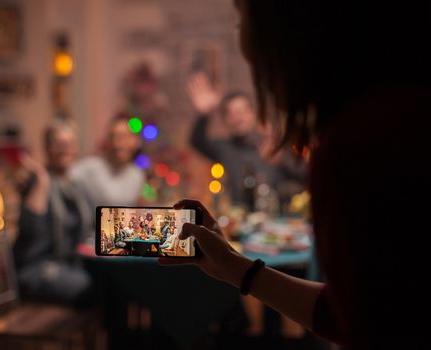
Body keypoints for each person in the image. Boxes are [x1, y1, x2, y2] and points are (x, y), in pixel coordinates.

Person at [162, 1, 431, 349]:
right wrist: (234, 267)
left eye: (243, 20)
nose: (243, 43)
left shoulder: (359, 141)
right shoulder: (228, 147)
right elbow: (357, 314)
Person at [187, 73, 307, 209]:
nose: (237, 118)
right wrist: (204, 114)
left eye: (241, 112)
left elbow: (306, 177)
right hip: (240, 221)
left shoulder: (272, 144)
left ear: (252, 114)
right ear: (226, 120)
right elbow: (196, 142)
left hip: (277, 222)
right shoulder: (224, 148)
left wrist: (283, 160)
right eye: (230, 114)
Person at [13, 118, 93, 307]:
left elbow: (91, 228)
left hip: (68, 267)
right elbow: (30, 230)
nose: (64, 148)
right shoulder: (36, 182)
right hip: (36, 270)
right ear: (47, 148)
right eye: (58, 143)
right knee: (95, 288)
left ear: (76, 149)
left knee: (113, 282)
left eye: (69, 143)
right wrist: (41, 181)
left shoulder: (76, 188)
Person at [70, 114, 145, 243]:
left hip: (123, 246)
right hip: (91, 245)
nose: (117, 144)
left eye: (122, 138)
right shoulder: (89, 168)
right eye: (113, 137)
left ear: (134, 141)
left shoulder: (137, 175)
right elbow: (62, 175)